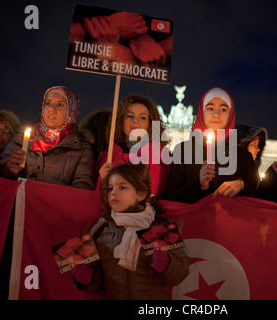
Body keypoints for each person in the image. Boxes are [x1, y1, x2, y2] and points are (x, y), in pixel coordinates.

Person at [71, 162, 189, 300]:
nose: (113, 193)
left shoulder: (161, 227)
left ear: (140, 194)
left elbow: (182, 271)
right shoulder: (100, 229)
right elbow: (96, 281)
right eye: (110, 189)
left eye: (122, 187)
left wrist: (168, 264)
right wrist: (87, 279)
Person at [164, 87, 258, 203]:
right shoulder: (182, 151)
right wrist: (199, 184)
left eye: (223, 109)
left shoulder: (243, 156)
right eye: (210, 108)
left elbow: (258, 197)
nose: (216, 114)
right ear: (201, 112)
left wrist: (242, 185)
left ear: (230, 114)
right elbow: (171, 199)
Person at [0, 86, 95, 190]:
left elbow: (82, 193)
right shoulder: (22, 138)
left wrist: (38, 181)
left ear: (71, 111)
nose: (51, 109)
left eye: (60, 105)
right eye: (48, 103)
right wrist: (8, 170)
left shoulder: (82, 149)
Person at [98, 94, 170, 199]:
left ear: (150, 124)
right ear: (120, 121)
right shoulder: (109, 154)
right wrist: (103, 180)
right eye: (130, 116)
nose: (136, 121)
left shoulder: (159, 155)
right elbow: (98, 197)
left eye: (143, 117)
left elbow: (160, 192)